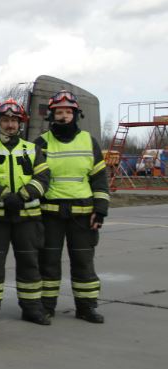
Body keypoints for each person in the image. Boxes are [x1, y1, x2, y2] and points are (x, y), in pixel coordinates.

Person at [0, 98, 51, 326]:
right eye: (5, 120)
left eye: (14, 120)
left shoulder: (32, 149)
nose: (10, 124)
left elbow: (43, 178)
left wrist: (22, 196)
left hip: (28, 218)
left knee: (29, 264)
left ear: (20, 123)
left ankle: (32, 308)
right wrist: (5, 196)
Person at [35, 90, 110, 323]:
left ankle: (86, 307)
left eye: (68, 111)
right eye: (59, 112)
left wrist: (100, 210)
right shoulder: (41, 143)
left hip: (83, 214)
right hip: (50, 214)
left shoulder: (89, 141)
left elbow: (99, 178)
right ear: (52, 115)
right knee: (48, 263)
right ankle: (46, 307)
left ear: (76, 115)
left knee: (83, 263)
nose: (64, 116)